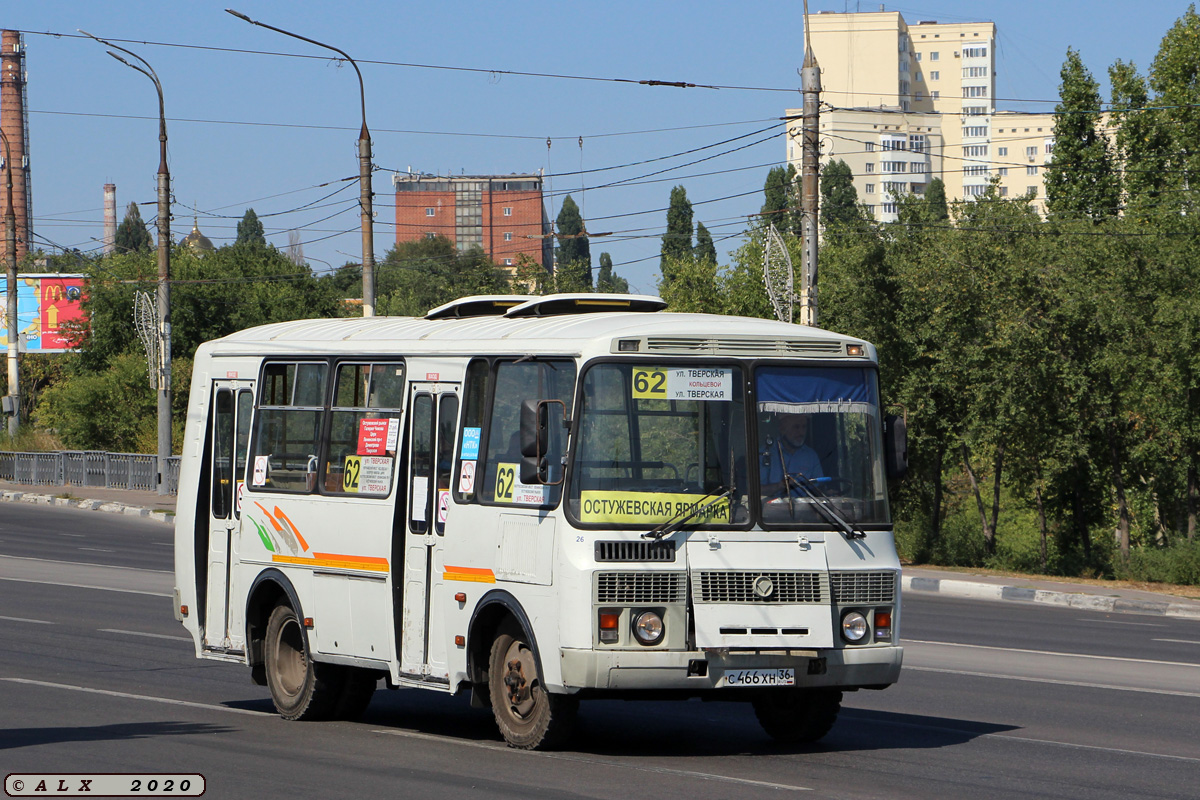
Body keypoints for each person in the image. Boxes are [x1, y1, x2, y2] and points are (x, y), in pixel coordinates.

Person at [760, 412, 823, 498]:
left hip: (804, 509)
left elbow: (818, 488)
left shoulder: (811, 456)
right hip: (770, 510)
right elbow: (754, 490)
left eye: (804, 427)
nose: (801, 432)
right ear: (782, 428)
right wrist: (780, 486)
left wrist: (827, 493)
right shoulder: (765, 454)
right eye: (796, 427)